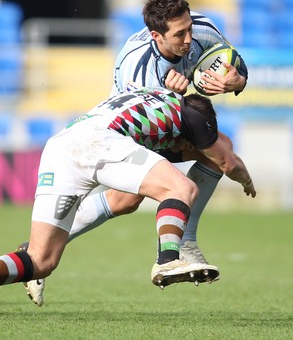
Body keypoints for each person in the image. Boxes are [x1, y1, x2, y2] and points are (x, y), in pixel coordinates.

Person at [19, 0, 249, 306]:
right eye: (179, 34)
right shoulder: (137, 68)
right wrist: (233, 166)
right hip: (125, 126)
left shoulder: (203, 28)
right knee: (212, 157)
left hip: (120, 125)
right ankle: (182, 246)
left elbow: (234, 65)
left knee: (125, 200)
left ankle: (30, 253)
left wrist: (236, 82)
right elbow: (154, 115)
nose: (189, 39)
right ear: (156, 36)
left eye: (189, 29)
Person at [1, 88, 256, 298]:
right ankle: (168, 259)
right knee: (181, 188)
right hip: (99, 141)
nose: (190, 150)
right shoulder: (193, 114)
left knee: (39, 260)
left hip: (61, 146)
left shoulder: (150, 102)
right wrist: (246, 181)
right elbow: (228, 162)